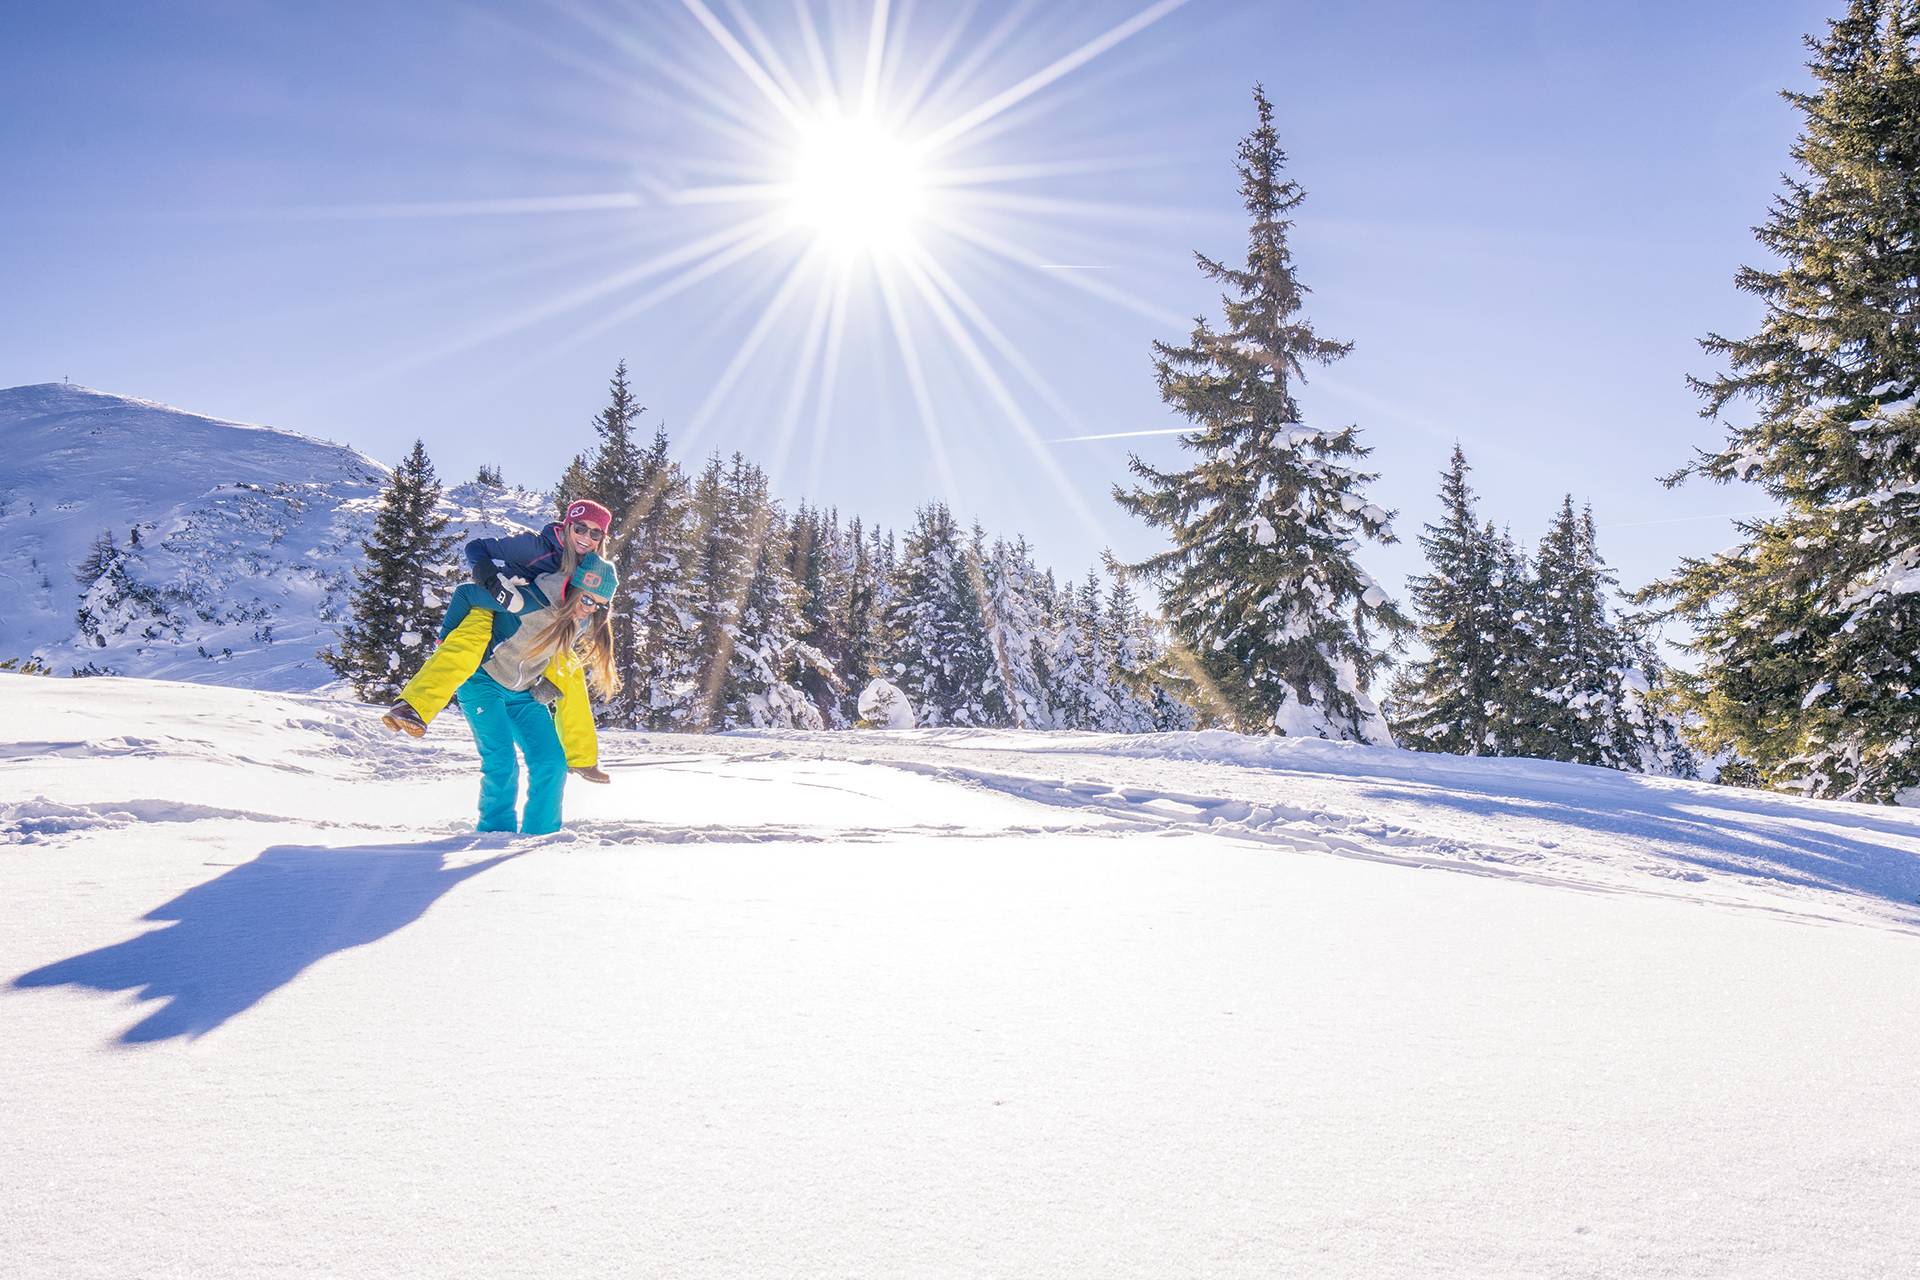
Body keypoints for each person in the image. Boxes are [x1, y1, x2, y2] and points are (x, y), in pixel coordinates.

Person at [383, 498, 613, 735]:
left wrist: (550, 681)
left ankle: (581, 757)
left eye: (595, 534)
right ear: (568, 526)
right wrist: (492, 580)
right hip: (495, 605)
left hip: (528, 624)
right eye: (580, 529)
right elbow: (475, 549)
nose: (586, 538)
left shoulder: (590, 568)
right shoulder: (536, 547)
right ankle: (412, 707)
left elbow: (578, 621)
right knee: (469, 644)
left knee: (568, 661)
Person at [438, 552, 621, 835]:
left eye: (599, 605)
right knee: (502, 762)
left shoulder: (580, 621)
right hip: (483, 681)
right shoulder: (532, 600)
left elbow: (563, 657)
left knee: (552, 762)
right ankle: (494, 834)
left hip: (523, 692)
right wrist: (445, 641)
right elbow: (466, 593)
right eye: (587, 599)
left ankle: (541, 837)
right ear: (574, 588)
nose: (589, 609)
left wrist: (552, 682)